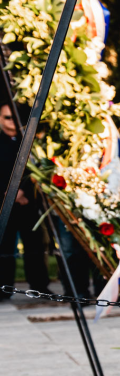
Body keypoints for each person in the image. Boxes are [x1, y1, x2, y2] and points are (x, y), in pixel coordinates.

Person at [0, 102, 50, 299]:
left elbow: (35, 171)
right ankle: (4, 288)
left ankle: (39, 286)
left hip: (28, 202)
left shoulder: (30, 142)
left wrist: (23, 192)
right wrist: (8, 193)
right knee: (4, 247)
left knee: (35, 246)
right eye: (7, 117)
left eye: (14, 117)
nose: (11, 122)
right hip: (4, 204)